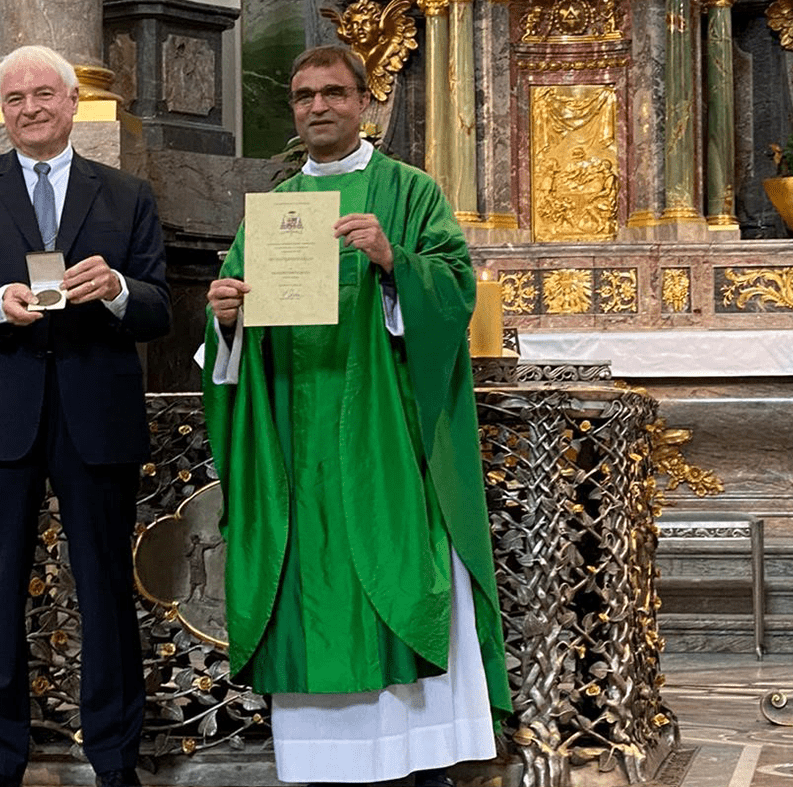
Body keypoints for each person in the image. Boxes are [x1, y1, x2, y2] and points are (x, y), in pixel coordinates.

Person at [203, 46, 512, 786]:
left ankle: (423, 764)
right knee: (310, 593)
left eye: (334, 93)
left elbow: (452, 295)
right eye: (304, 95)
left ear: (363, 102)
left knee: (400, 578)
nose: (318, 107)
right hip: (294, 450)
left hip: (388, 444)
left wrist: (392, 261)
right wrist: (223, 317)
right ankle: (324, 767)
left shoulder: (409, 192)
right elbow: (234, 320)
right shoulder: (272, 210)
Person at [0, 44, 170, 787]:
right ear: (2, 113)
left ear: (71, 103)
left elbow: (158, 306)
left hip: (95, 410)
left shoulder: (126, 195)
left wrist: (120, 287)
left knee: (104, 590)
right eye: (14, 99)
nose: (29, 108)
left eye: (43, 94)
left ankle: (115, 758)